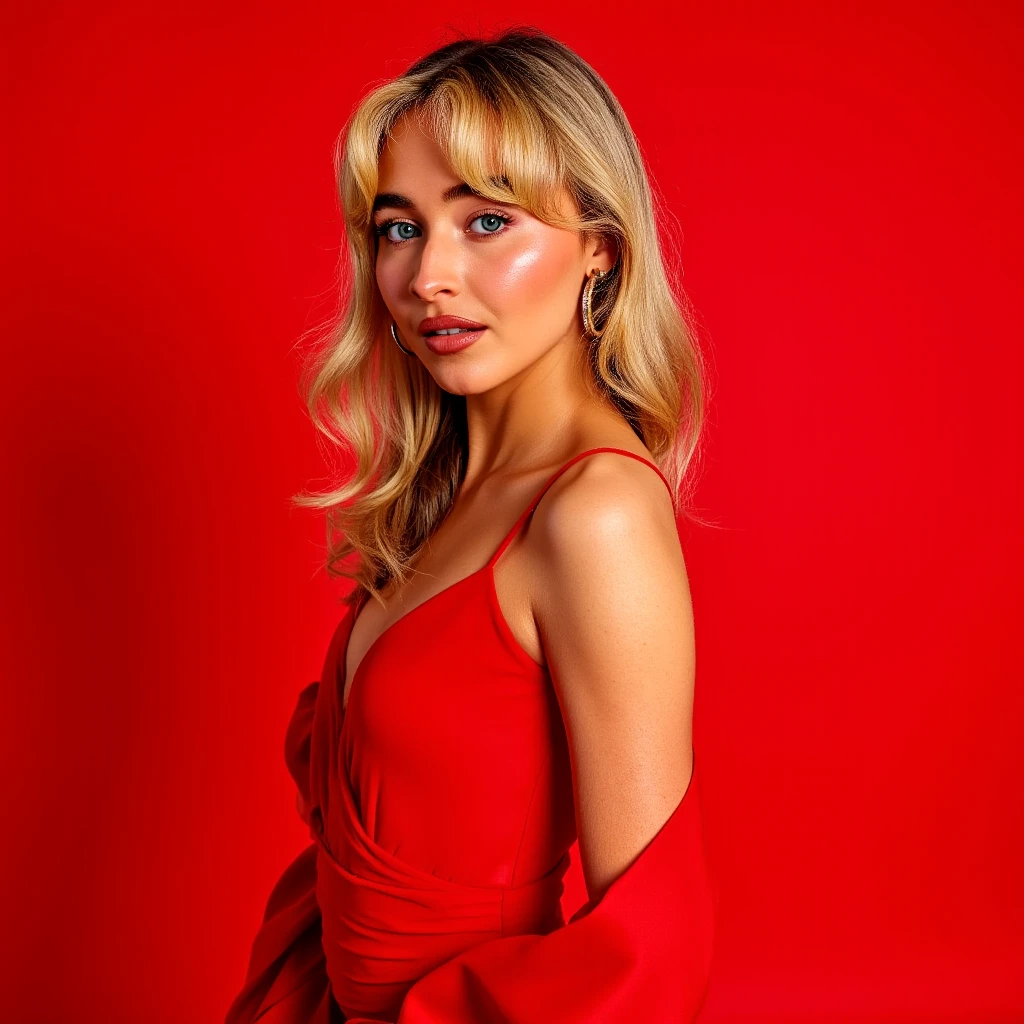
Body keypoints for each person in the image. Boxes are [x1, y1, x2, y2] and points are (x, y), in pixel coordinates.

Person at [226, 26, 717, 1024]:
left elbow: (652, 952)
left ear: (598, 253)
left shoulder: (595, 512)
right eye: (399, 228)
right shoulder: (443, 493)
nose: (428, 278)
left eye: (486, 222)